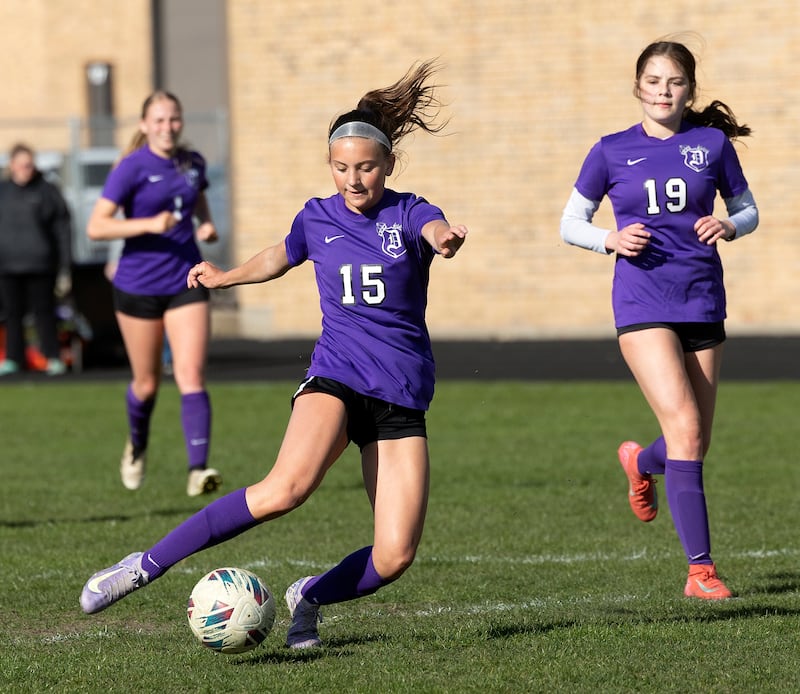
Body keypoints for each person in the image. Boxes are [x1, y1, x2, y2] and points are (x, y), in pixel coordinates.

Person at [79, 60, 467, 648]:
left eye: (365, 168)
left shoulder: (410, 211)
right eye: (341, 168)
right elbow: (279, 256)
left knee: (395, 555)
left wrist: (446, 238)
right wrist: (226, 276)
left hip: (402, 397)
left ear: (388, 165)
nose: (353, 180)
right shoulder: (317, 216)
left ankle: (307, 596)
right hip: (336, 379)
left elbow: (436, 228)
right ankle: (142, 566)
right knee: (283, 490)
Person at [560, 39, 758, 599]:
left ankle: (640, 462)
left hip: (701, 298)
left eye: (673, 82)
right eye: (652, 81)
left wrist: (730, 226)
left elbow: (748, 208)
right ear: (637, 87)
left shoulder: (711, 144)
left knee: (694, 440)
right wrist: (610, 239)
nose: (663, 91)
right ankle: (701, 572)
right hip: (642, 302)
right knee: (688, 430)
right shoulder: (610, 150)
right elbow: (570, 222)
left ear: (689, 90)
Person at [86, 91, 222, 497]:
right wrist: (148, 224)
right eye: (159, 120)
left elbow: (197, 197)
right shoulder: (130, 168)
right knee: (146, 384)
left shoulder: (192, 162)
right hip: (138, 286)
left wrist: (206, 225)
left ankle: (198, 470)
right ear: (145, 124)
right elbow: (97, 227)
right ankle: (137, 444)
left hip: (186, 280)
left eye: (174, 119)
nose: (168, 127)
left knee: (190, 374)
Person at [0, 143, 72, 376]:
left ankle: (52, 357)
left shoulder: (47, 191)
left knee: (45, 313)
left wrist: (64, 267)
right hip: (8, 265)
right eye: (22, 165)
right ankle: (13, 359)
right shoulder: (3, 191)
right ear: (12, 165)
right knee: (12, 314)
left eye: (30, 165)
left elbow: (63, 229)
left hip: (41, 264)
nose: (26, 169)